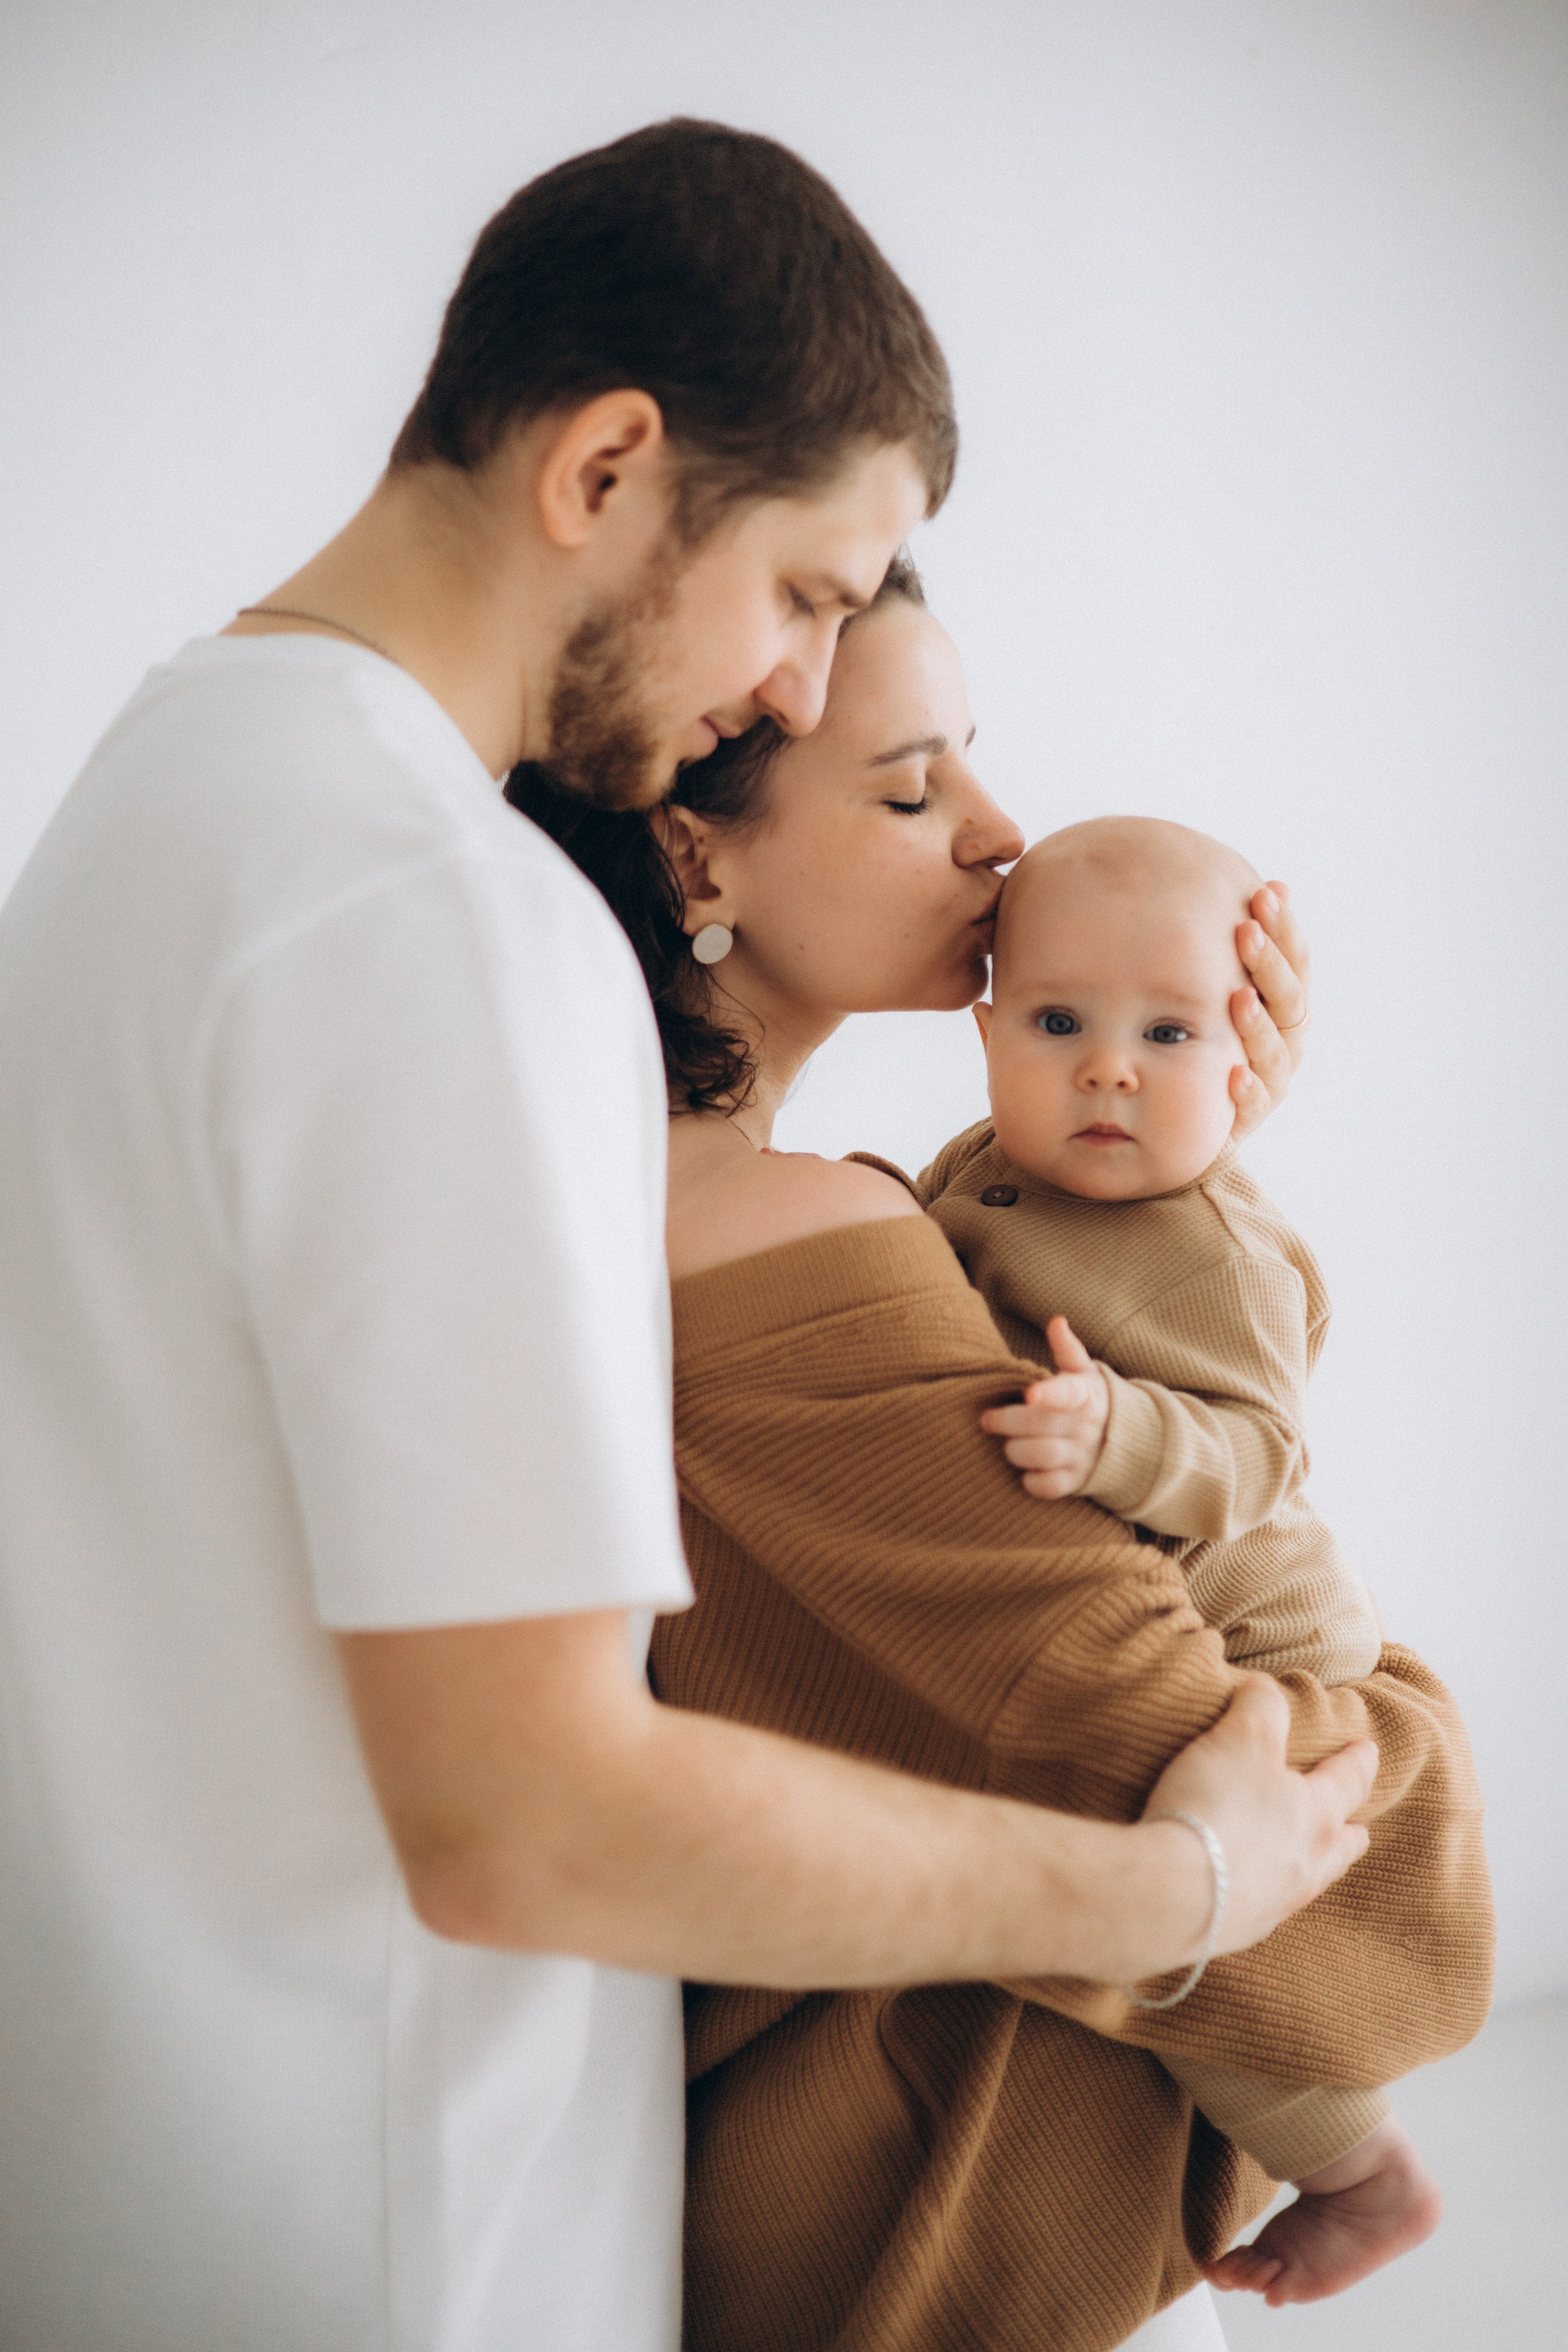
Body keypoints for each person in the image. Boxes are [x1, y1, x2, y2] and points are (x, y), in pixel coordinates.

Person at [0, 123, 1376, 2352]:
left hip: (130, 2192)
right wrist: (1184, 1890)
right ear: (611, 465)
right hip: (409, 2254)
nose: (788, 681)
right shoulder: (438, 917)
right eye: (812, 597)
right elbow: (529, 1814)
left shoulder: (155, 804)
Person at [512, 559, 1492, 2352]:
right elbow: (1222, 1787)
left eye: (976, 758)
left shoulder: (705, 1193)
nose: (997, 830)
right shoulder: (792, 1242)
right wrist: (1422, 1754)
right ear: (694, 862)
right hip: (947, 2222)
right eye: (912, 785)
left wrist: (1180, 1189)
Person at [921, 815, 1437, 2305]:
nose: (1106, 1068)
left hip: (1257, 1649)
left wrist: (1120, 1438)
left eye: (1166, 1029)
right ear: (987, 1025)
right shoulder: (988, 1167)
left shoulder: (1208, 1247)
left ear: (1241, 1050)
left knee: (1197, 1934)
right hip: (1135, 1608)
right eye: (1058, 1022)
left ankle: (1357, 2168)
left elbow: (1260, 1456)